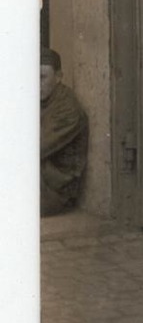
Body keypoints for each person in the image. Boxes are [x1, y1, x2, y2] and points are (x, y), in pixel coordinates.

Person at [40, 48, 89, 217]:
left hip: (54, 191)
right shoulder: (43, 99)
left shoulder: (67, 109)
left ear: (59, 77)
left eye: (42, 77)